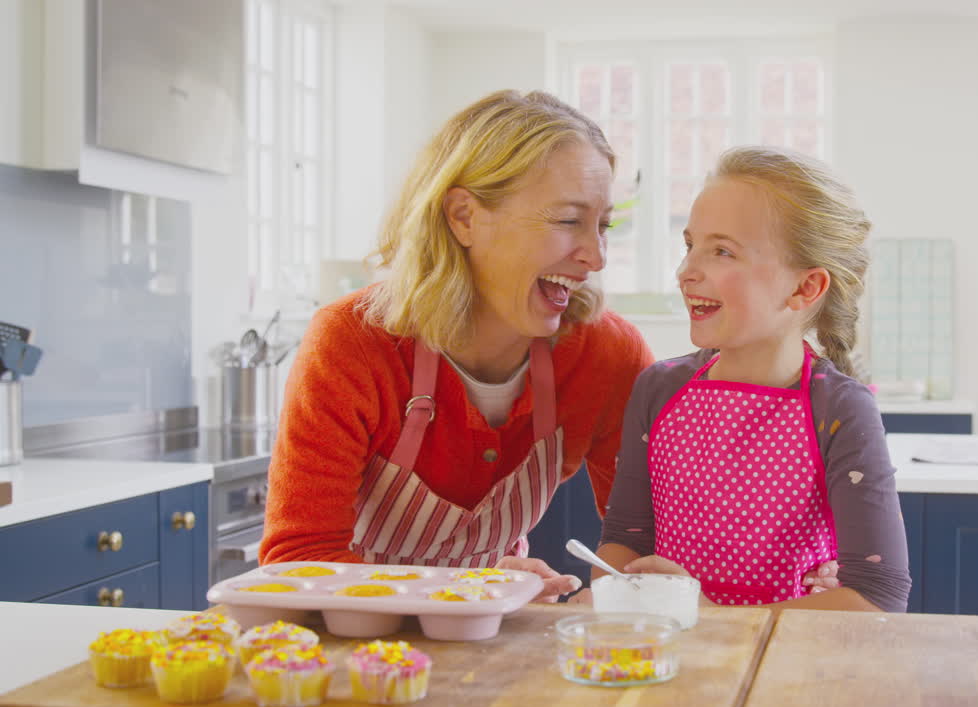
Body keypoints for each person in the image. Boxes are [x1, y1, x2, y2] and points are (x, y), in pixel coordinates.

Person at [259, 90, 655, 600]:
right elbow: (298, 563)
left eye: (603, 226)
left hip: (488, 642)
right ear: (464, 216)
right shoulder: (351, 342)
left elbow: (646, 541)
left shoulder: (606, 353)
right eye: (567, 220)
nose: (596, 258)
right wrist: (469, 592)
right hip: (353, 653)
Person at [587, 146, 911, 611]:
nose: (686, 271)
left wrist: (705, 617)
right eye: (689, 245)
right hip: (671, 661)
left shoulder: (839, 410)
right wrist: (608, 597)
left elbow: (876, 597)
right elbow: (624, 542)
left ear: (804, 288)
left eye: (722, 252)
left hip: (786, 669)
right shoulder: (658, 390)